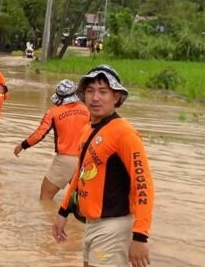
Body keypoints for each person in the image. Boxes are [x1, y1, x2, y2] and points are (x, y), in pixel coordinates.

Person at [52, 65, 154, 267]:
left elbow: (143, 185)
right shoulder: (87, 129)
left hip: (114, 225)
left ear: (116, 97)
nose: (95, 98)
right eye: (90, 91)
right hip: (92, 224)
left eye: (103, 92)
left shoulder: (125, 133)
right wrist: (63, 212)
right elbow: (80, 175)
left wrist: (140, 237)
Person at [14, 79, 89, 200]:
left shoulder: (53, 113)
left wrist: (22, 145)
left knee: (45, 197)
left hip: (65, 160)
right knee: (80, 200)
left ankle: (47, 218)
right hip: (85, 159)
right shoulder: (87, 110)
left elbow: (39, 134)